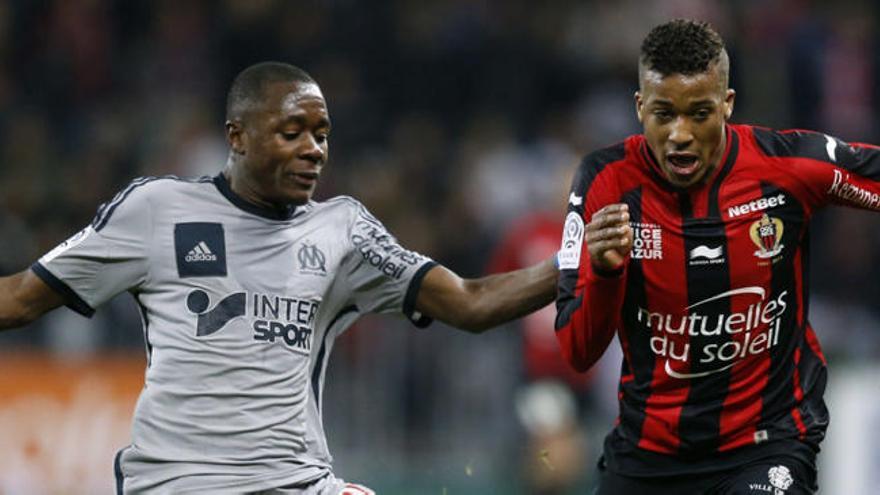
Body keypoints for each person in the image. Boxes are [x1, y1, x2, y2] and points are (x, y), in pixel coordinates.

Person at [0, 62, 559, 494]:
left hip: (293, 481)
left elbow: (469, 302)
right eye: (292, 132)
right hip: (180, 482)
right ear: (237, 136)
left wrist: (575, 265)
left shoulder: (343, 231)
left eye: (321, 134)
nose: (313, 150)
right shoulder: (157, 209)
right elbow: (21, 299)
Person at [555, 19, 880, 495]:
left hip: (765, 445)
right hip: (647, 458)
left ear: (727, 105)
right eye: (664, 114)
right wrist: (605, 272)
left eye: (699, 113)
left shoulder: (787, 167)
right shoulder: (604, 182)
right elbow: (577, 351)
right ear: (640, 107)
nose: (680, 134)